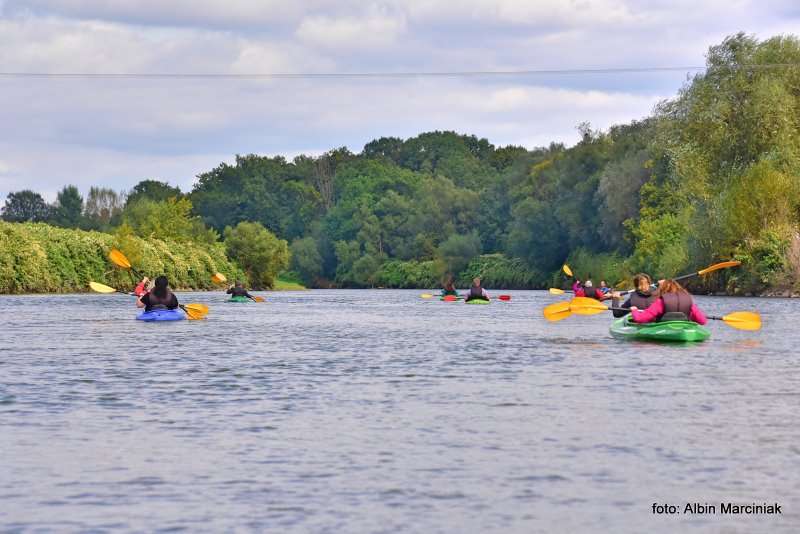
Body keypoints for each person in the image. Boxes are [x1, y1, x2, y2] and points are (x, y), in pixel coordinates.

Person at [630, 279, 707, 324]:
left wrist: (634, 310)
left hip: (664, 327)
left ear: (663, 290)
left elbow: (639, 319)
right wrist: (691, 317)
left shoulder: (661, 302)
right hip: (684, 327)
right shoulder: (689, 300)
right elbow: (703, 321)